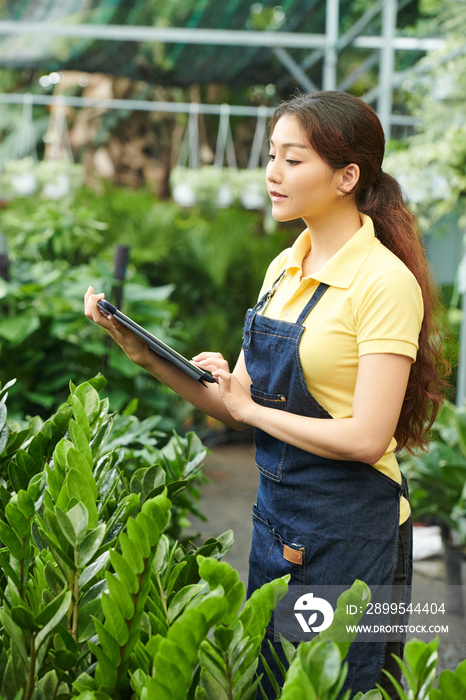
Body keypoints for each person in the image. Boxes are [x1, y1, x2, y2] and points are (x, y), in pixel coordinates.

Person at [84, 90, 445, 698]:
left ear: (347, 175)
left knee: (335, 687)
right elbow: (237, 402)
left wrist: (249, 408)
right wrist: (143, 352)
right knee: (272, 682)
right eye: (271, 155)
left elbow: (366, 437)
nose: (272, 173)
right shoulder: (283, 267)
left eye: (293, 159)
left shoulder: (385, 283)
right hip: (280, 522)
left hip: (352, 532)